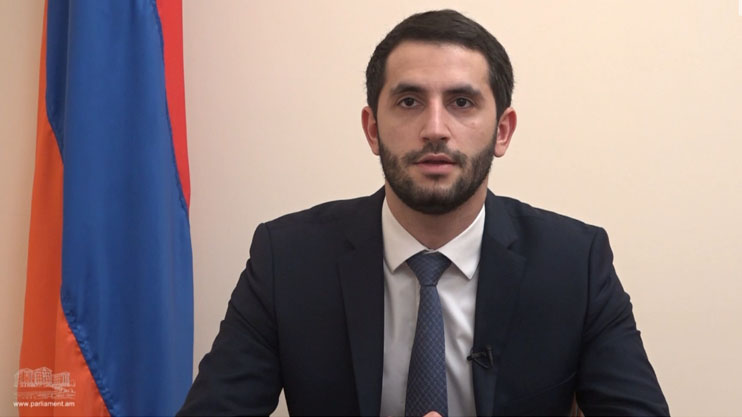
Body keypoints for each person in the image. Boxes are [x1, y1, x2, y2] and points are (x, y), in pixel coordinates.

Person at [178, 9, 669, 416]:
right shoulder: (287, 259)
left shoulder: (576, 263)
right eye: (409, 101)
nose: (435, 128)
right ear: (372, 129)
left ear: (502, 131)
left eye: (462, 102)